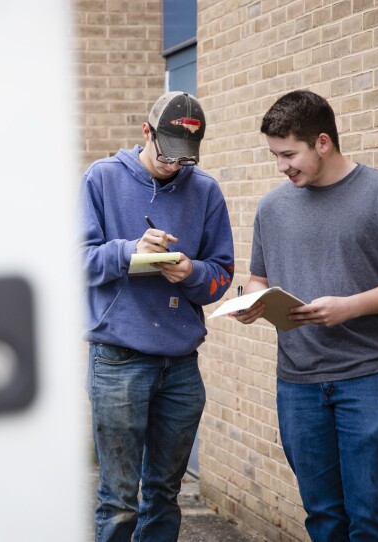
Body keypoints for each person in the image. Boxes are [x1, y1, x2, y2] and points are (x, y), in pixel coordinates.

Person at [232, 90, 378, 541]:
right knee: (323, 518)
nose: (281, 166)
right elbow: (259, 278)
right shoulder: (272, 208)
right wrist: (250, 301)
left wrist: (349, 306)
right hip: (297, 383)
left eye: (288, 154)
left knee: (372, 518)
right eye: (274, 155)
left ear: (322, 142)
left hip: (369, 376)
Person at [79, 91, 235, 541]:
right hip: (119, 360)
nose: (175, 165)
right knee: (119, 499)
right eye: (167, 153)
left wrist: (191, 273)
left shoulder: (204, 190)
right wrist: (130, 251)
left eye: (185, 157)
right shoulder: (102, 179)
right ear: (146, 133)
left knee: (165, 495)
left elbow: (220, 276)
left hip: (181, 365)